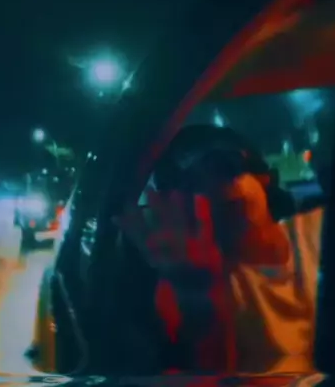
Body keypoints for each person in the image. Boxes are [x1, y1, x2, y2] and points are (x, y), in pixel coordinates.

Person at [115, 125, 294, 373]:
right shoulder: (178, 283)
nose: (214, 187)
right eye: (192, 184)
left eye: (225, 168)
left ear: (265, 178)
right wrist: (195, 292)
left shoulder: (320, 238)